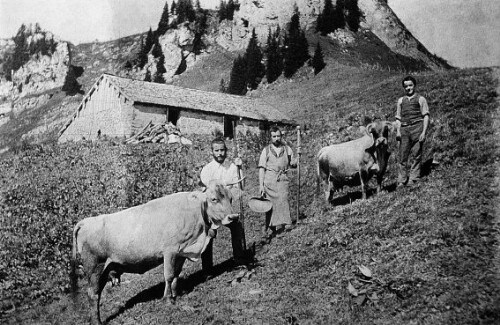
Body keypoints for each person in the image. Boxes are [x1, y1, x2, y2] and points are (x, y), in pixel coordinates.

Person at [199, 137, 246, 276]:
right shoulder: (207, 170)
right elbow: (206, 192)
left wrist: (239, 168)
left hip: (226, 207)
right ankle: (207, 270)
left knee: (237, 227)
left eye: (222, 150)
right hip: (212, 210)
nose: (220, 153)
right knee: (208, 233)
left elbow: (240, 186)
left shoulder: (231, 167)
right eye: (217, 150)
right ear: (212, 152)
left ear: (226, 151)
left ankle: (239, 260)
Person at [258, 126, 297, 237]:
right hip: (269, 180)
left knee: (283, 198)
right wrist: (261, 185)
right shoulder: (266, 151)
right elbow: (261, 168)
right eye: (274, 136)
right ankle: (272, 226)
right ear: (270, 137)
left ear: (281, 136)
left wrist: (296, 160)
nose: (276, 138)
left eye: (278, 136)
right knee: (271, 204)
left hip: (282, 178)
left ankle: (287, 223)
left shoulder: (287, 149)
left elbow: (292, 163)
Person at [395, 76, 430, 186]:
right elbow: (398, 118)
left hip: (417, 128)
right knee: (402, 156)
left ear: (414, 85)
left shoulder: (421, 99)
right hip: (404, 129)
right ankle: (402, 180)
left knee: (416, 154)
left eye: (410, 85)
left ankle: (414, 178)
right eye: (406, 86)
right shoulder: (401, 101)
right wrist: (398, 131)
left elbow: (426, 116)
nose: (408, 88)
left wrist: (423, 132)